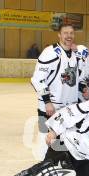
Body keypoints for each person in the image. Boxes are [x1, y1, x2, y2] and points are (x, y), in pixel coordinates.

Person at [30, 24, 79, 159]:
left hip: (66, 108)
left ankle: (57, 167)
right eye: (65, 33)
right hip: (49, 107)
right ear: (59, 35)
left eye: (71, 33)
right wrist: (47, 102)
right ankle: (40, 168)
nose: (69, 36)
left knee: (61, 141)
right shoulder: (50, 52)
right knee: (44, 139)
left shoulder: (74, 54)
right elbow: (36, 80)